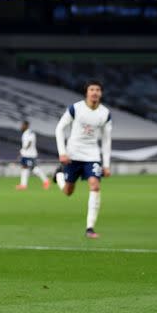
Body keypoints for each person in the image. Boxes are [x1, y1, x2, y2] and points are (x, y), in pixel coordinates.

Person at [53, 80, 112, 239]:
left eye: (98, 90)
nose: (95, 92)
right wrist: (62, 152)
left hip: (92, 155)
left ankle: (90, 228)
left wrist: (106, 165)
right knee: (68, 191)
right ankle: (58, 176)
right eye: (92, 89)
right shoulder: (75, 108)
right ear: (87, 92)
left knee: (95, 185)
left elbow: (106, 140)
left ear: (101, 93)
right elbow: (59, 128)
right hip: (73, 154)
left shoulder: (105, 113)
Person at [16, 120, 50, 191]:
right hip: (25, 154)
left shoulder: (30, 133)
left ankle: (46, 181)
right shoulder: (25, 133)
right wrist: (22, 152)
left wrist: (24, 149)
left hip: (30, 154)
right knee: (24, 167)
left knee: (34, 168)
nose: (21, 127)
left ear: (26, 126)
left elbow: (29, 142)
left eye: (22, 125)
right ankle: (23, 185)